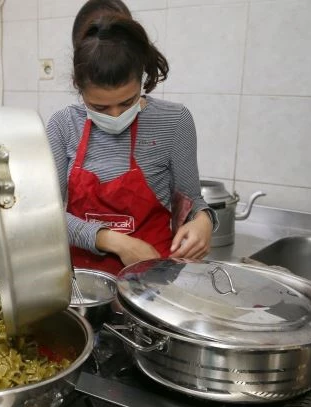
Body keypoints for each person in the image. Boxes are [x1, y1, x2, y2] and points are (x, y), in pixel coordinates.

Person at [48, 0, 215, 275]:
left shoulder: (174, 121)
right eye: (99, 107)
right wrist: (113, 241)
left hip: (153, 283)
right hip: (85, 284)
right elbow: (47, 217)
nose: (114, 115)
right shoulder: (64, 125)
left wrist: (204, 220)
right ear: (79, 88)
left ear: (142, 80)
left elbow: (192, 203)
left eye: (126, 103)